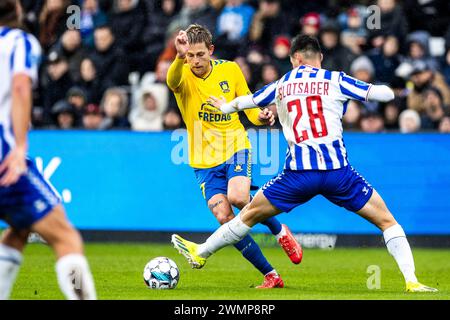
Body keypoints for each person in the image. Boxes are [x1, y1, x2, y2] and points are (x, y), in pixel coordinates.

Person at [172, 34, 438, 293]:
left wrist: (226, 107)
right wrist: (397, 86)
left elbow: (248, 102)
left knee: (247, 215)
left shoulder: (283, 83)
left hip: (298, 175)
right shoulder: (335, 79)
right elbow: (384, 95)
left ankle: (202, 250)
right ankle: (412, 282)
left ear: (294, 59)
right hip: (338, 173)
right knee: (388, 222)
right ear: (320, 57)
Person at [167, 24, 302, 288]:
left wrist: (261, 116)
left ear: (211, 51)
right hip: (203, 161)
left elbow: (248, 105)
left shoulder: (230, 70)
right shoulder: (182, 71)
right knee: (224, 218)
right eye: (191, 55)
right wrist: (178, 56)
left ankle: (280, 231)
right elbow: (171, 82)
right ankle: (271, 275)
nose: (195, 61)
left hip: (234, 145)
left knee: (239, 196)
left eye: (200, 54)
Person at [0, 0, 96, 300]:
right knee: (65, 237)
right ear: (16, 10)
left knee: (19, 228)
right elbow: (19, 87)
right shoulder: (19, 42)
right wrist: (20, 147)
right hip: (4, 154)